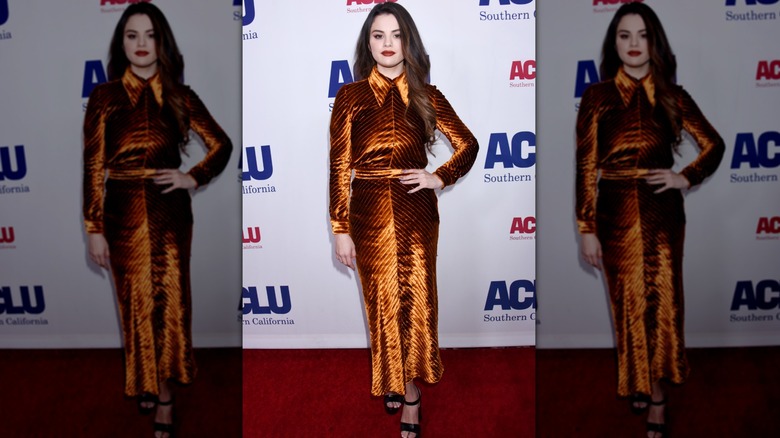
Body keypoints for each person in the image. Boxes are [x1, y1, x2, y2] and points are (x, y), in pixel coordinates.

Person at [82, 3, 232, 437]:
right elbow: (93, 166)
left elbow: (221, 145)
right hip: (121, 210)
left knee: (169, 303)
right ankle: (146, 380)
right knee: (134, 305)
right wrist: (93, 228)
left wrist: (192, 176)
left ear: (162, 41)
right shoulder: (104, 97)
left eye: (150, 35)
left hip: (170, 212)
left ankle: (165, 396)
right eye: (132, 36)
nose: (142, 44)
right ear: (121, 42)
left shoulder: (181, 96)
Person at [329, 3, 478, 437]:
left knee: (416, 301)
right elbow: (339, 166)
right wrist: (340, 228)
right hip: (368, 209)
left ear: (408, 41)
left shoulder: (428, 95)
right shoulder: (350, 96)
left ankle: (411, 396)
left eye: (396, 35)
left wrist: (439, 176)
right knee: (381, 303)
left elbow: (467, 145)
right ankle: (394, 378)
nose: (388, 44)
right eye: (378, 35)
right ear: (367, 42)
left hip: (416, 210)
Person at [575, 2, 724, 437]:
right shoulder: (597, 96)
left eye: (642, 35)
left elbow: (714, 144)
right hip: (614, 209)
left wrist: (685, 176)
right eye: (625, 35)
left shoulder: (674, 96)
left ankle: (657, 396)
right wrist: (586, 228)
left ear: (654, 41)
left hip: (662, 212)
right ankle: (639, 379)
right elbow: (586, 166)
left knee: (662, 303)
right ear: (614, 42)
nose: (634, 44)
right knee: (626, 304)